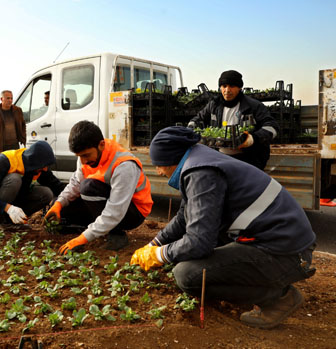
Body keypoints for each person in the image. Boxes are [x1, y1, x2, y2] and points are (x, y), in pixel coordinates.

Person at [130, 126, 316, 329]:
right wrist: (154, 244)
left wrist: (160, 255)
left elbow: (199, 242)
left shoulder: (201, 172)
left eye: (159, 165)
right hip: (279, 240)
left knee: (187, 274)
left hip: (287, 253)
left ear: (173, 159)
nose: (158, 171)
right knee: (191, 254)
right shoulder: (199, 159)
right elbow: (184, 217)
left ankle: (279, 298)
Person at [44, 121, 153, 253]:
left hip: (132, 212)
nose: (83, 161)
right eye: (79, 156)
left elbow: (115, 211)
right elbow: (75, 183)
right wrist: (59, 204)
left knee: (88, 187)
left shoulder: (124, 166)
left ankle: (117, 234)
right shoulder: (86, 156)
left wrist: (83, 239)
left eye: (86, 155)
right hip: (107, 202)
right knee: (64, 209)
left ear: (101, 145)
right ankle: (96, 228)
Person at [188, 70, 279, 170]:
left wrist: (253, 139)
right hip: (220, 157)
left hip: (249, 160)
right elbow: (197, 119)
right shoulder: (214, 105)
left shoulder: (254, 106)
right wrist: (191, 130)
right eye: (224, 86)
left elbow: (272, 126)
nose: (227, 90)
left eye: (232, 86)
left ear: (239, 88)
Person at [0, 140, 65, 235]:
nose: (45, 169)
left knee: (46, 194)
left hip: (5, 201)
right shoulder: (5, 161)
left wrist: (71, 199)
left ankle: (8, 222)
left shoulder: (37, 166)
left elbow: (57, 186)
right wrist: (8, 208)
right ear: (34, 161)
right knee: (14, 180)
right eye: (44, 166)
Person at [0, 90, 26, 165]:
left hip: (15, 146)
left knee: (15, 166)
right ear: (1, 99)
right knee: (2, 167)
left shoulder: (17, 110)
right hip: (0, 147)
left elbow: (23, 125)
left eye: (11, 98)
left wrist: (23, 137)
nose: (10, 100)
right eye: (8, 98)